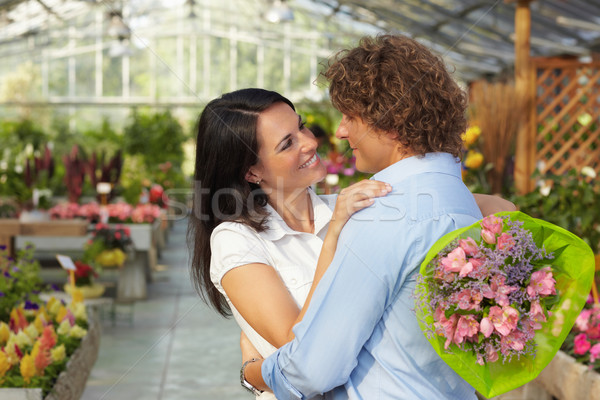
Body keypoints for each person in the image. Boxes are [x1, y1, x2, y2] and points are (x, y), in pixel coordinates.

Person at [189, 91, 513, 397]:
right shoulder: (235, 239)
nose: (309, 142)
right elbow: (302, 350)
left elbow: (499, 207)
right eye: (287, 143)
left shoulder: (343, 206)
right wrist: (333, 237)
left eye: (301, 126)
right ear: (251, 171)